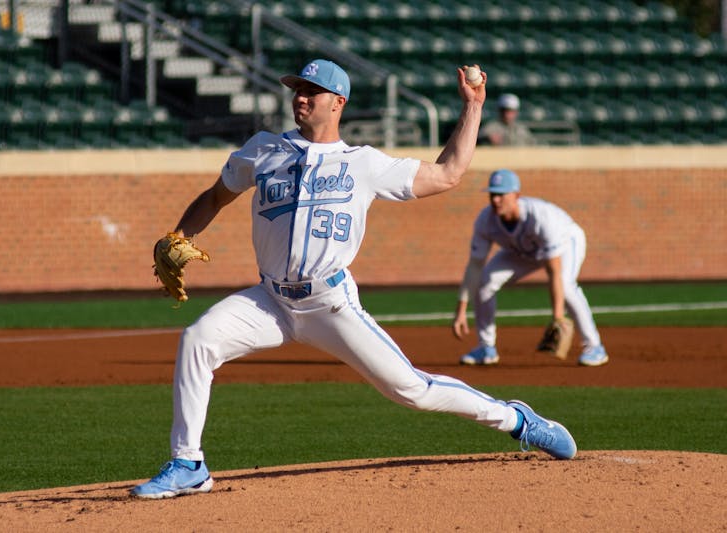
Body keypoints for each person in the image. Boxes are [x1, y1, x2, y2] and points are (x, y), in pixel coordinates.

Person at [131, 59, 577, 499]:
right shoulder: (263, 149)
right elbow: (214, 197)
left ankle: (516, 420)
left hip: (330, 305)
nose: (300, 98)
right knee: (198, 339)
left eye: (311, 91)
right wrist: (178, 235)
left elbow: (447, 174)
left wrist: (473, 107)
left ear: (338, 102)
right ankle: (189, 463)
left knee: (411, 390)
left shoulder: (363, 163)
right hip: (270, 300)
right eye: (296, 90)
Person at [452, 169, 609, 367]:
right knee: (486, 280)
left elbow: (554, 271)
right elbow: (475, 266)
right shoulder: (486, 220)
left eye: (501, 194)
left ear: (516, 195)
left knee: (567, 286)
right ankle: (486, 348)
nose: (496, 200)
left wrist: (558, 317)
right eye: (493, 194)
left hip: (566, 241)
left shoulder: (541, 218)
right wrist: (461, 309)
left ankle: (595, 347)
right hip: (523, 250)